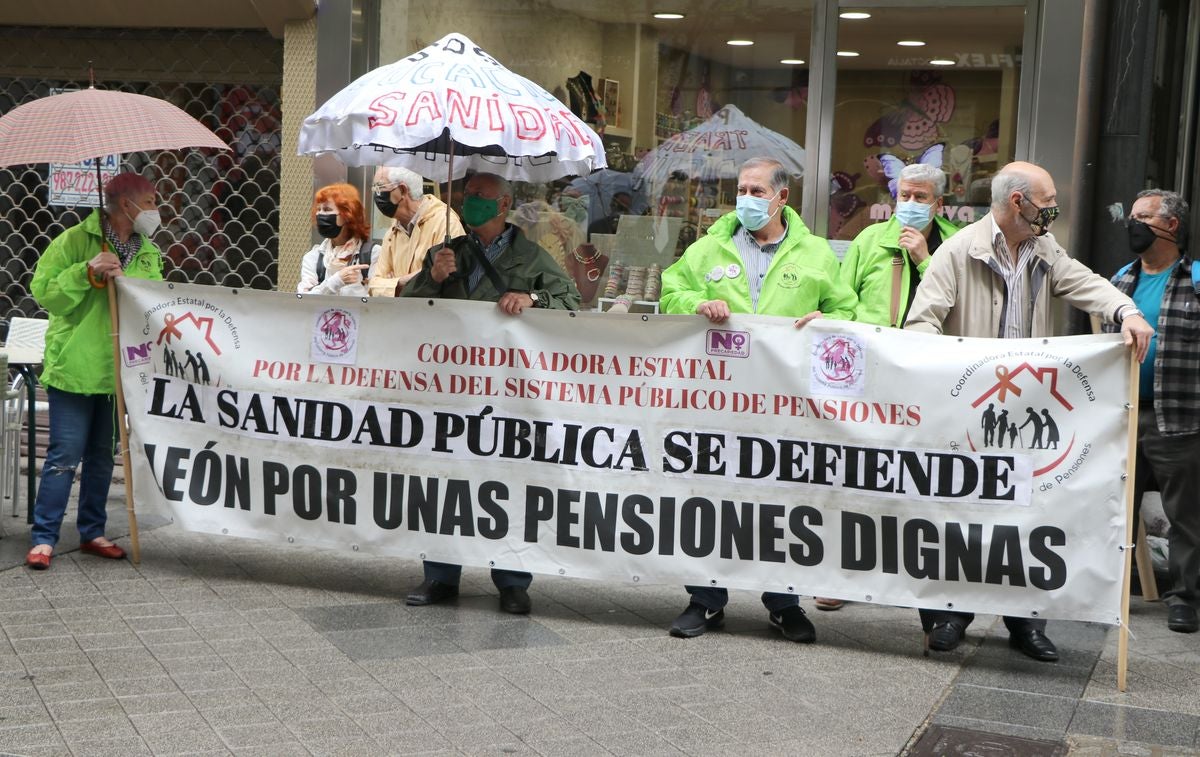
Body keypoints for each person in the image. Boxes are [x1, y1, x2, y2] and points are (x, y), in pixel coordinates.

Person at [905, 161, 1154, 662]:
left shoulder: (1043, 248)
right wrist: (949, 376)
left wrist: (1127, 311)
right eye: (1048, 197)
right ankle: (948, 617)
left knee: (1027, 514)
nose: (1054, 206)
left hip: (1024, 412)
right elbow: (920, 325)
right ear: (1018, 202)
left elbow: (1085, 282)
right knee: (959, 516)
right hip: (967, 412)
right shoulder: (956, 252)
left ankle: (1025, 621)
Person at [659, 157, 857, 643]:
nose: (746, 197)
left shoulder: (815, 254)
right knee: (709, 497)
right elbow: (670, 294)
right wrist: (696, 305)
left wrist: (825, 321)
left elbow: (847, 310)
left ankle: (784, 603)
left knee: (783, 499)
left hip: (785, 406)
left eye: (756, 190)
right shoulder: (709, 247)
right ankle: (705, 600)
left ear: (781, 197)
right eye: (741, 189)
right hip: (716, 400)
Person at [402, 171, 581, 614]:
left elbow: (572, 303)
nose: (470, 202)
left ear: (503, 205)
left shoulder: (531, 256)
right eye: (466, 195)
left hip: (509, 393)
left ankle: (513, 581)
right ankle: (440, 575)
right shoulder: (447, 252)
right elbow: (405, 311)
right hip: (451, 389)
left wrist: (533, 301)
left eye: (480, 196)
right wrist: (433, 279)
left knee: (510, 485)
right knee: (446, 483)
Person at [26, 173, 166, 569]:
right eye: (152, 201)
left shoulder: (147, 250)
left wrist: (128, 283)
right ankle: (44, 538)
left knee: (104, 457)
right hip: (73, 367)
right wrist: (85, 273)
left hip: (116, 369)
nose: (156, 209)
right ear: (127, 204)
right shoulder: (73, 241)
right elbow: (45, 294)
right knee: (64, 456)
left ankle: (92, 531)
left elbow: (154, 302)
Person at [1103, 189, 1199, 633]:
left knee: (1186, 515)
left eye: (1143, 217)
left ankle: (1185, 599)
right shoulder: (1121, 280)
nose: (1133, 225)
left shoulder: (1195, 279)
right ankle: (1107, 591)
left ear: (1171, 226)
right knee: (1113, 507)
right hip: (1123, 415)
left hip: (1179, 417)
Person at [839, 163, 961, 328]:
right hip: (876, 346)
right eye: (905, 195)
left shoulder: (956, 243)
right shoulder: (869, 239)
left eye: (919, 197)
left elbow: (962, 304)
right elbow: (841, 300)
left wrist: (925, 262)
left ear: (938, 204)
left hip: (931, 346)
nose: (910, 203)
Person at [368, 166, 464, 297]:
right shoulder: (393, 231)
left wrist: (391, 285)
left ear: (402, 190)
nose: (376, 194)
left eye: (380, 188)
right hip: (399, 315)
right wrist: (400, 282)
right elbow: (373, 286)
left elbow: (444, 278)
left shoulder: (445, 223)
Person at [296, 183, 379, 296]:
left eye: (327, 209)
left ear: (348, 215)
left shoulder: (372, 254)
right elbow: (303, 299)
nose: (320, 214)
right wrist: (336, 281)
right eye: (318, 209)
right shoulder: (313, 257)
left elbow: (379, 301)